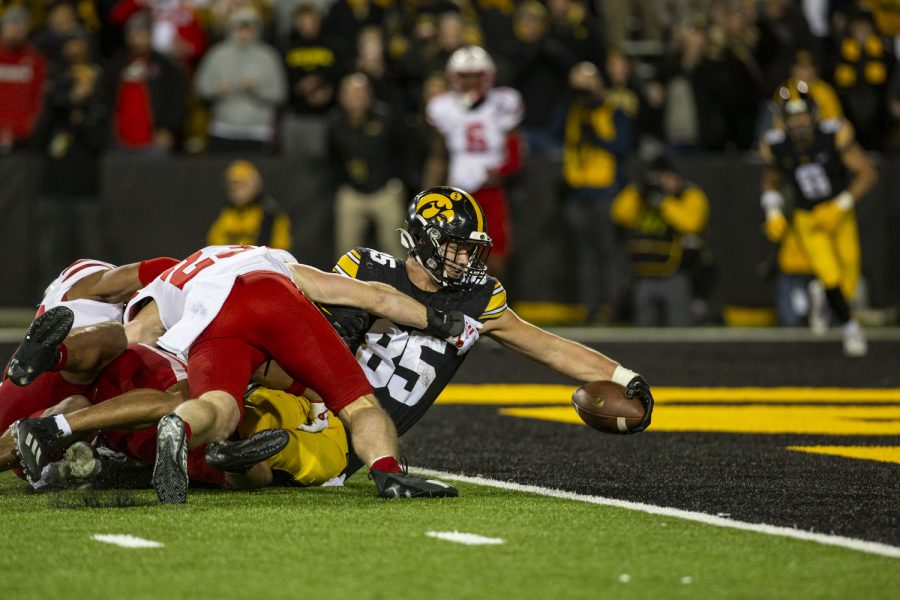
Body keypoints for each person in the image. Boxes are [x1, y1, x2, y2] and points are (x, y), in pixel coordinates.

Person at [326, 186, 655, 478]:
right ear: (425, 240)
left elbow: (551, 348)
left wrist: (624, 377)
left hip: (358, 446)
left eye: (469, 249)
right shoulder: (365, 269)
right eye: (456, 246)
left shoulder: (477, 299)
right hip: (317, 411)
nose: (465, 258)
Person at [760, 83, 877, 356]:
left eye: (802, 115)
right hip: (807, 218)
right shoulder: (777, 145)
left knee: (848, 278)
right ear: (783, 120)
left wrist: (840, 205)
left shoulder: (832, 135)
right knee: (829, 273)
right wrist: (773, 210)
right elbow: (770, 180)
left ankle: (827, 301)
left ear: (814, 115)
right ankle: (851, 328)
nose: (798, 122)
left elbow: (867, 174)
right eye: (792, 117)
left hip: (840, 215)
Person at [424, 45, 523, 280]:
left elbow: (515, 152)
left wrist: (500, 169)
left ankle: (492, 303)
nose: (470, 83)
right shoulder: (442, 106)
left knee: (495, 250)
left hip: (493, 187)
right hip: (459, 190)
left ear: (487, 76)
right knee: (452, 253)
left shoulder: (503, 102)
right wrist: (431, 191)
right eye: (465, 76)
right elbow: (438, 155)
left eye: (475, 76)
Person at [562, 61, 633, 324]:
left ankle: (613, 307)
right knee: (585, 256)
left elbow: (624, 146)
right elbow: (552, 134)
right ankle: (590, 308)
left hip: (605, 192)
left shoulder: (615, 112)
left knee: (609, 252)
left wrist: (597, 138)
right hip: (578, 192)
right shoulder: (571, 112)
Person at [611, 156, 711, 326]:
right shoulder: (643, 197)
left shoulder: (689, 194)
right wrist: (638, 190)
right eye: (659, 177)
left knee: (679, 328)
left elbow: (691, 223)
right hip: (644, 277)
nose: (664, 182)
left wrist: (663, 202)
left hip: (676, 276)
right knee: (645, 333)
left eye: (668, 177)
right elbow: (619, 214)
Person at [328, 73, 406, 258]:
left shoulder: (385, 117)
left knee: (394, 246)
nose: (356, 98)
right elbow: (332, 157)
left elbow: (403, 149)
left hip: (385, 189)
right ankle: (347, 287)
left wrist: (399, 181)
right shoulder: (335, 122)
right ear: (342, 96)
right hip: (352, 191)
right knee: (346, 251)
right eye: (351, 93)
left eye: (360, 93)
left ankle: (403, 286)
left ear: (369, 95)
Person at [194, 8, 287, 153]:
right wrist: (217, 90)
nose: (244, 33)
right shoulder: (217, 54)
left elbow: (279, 94)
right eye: (240, 28)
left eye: (249, 28)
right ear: (231, 29)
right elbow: (201, 87)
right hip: (223, 128)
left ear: (257, 30)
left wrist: (255, 90)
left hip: (258, 130)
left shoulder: (268, 56)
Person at [104, 12, 187, 156]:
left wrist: (169, 129)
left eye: (143, 33)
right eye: (135, 33)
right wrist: (107, 131)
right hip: (119, 141)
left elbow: (178, 99)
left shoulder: (166, 66)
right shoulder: (116, 65)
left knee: (156, 178)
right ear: (127, 36)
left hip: (155, 141)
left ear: (151, 36)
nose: (139, 38)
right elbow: (105, 98)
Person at [207, 160, 292, 251]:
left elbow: (281, 248)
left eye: (243, 185)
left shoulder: (270, 213)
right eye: (233, 185)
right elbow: (215, 242)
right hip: (232, 261)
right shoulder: (227, 211)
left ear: (255, 185)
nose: (237, 190)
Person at [0, 5, 47, 153]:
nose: (15, 31)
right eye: (11, 26)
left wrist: (31, 126)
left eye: (19, 27)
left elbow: (40, 96)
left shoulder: (36, 60)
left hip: (23, 137)